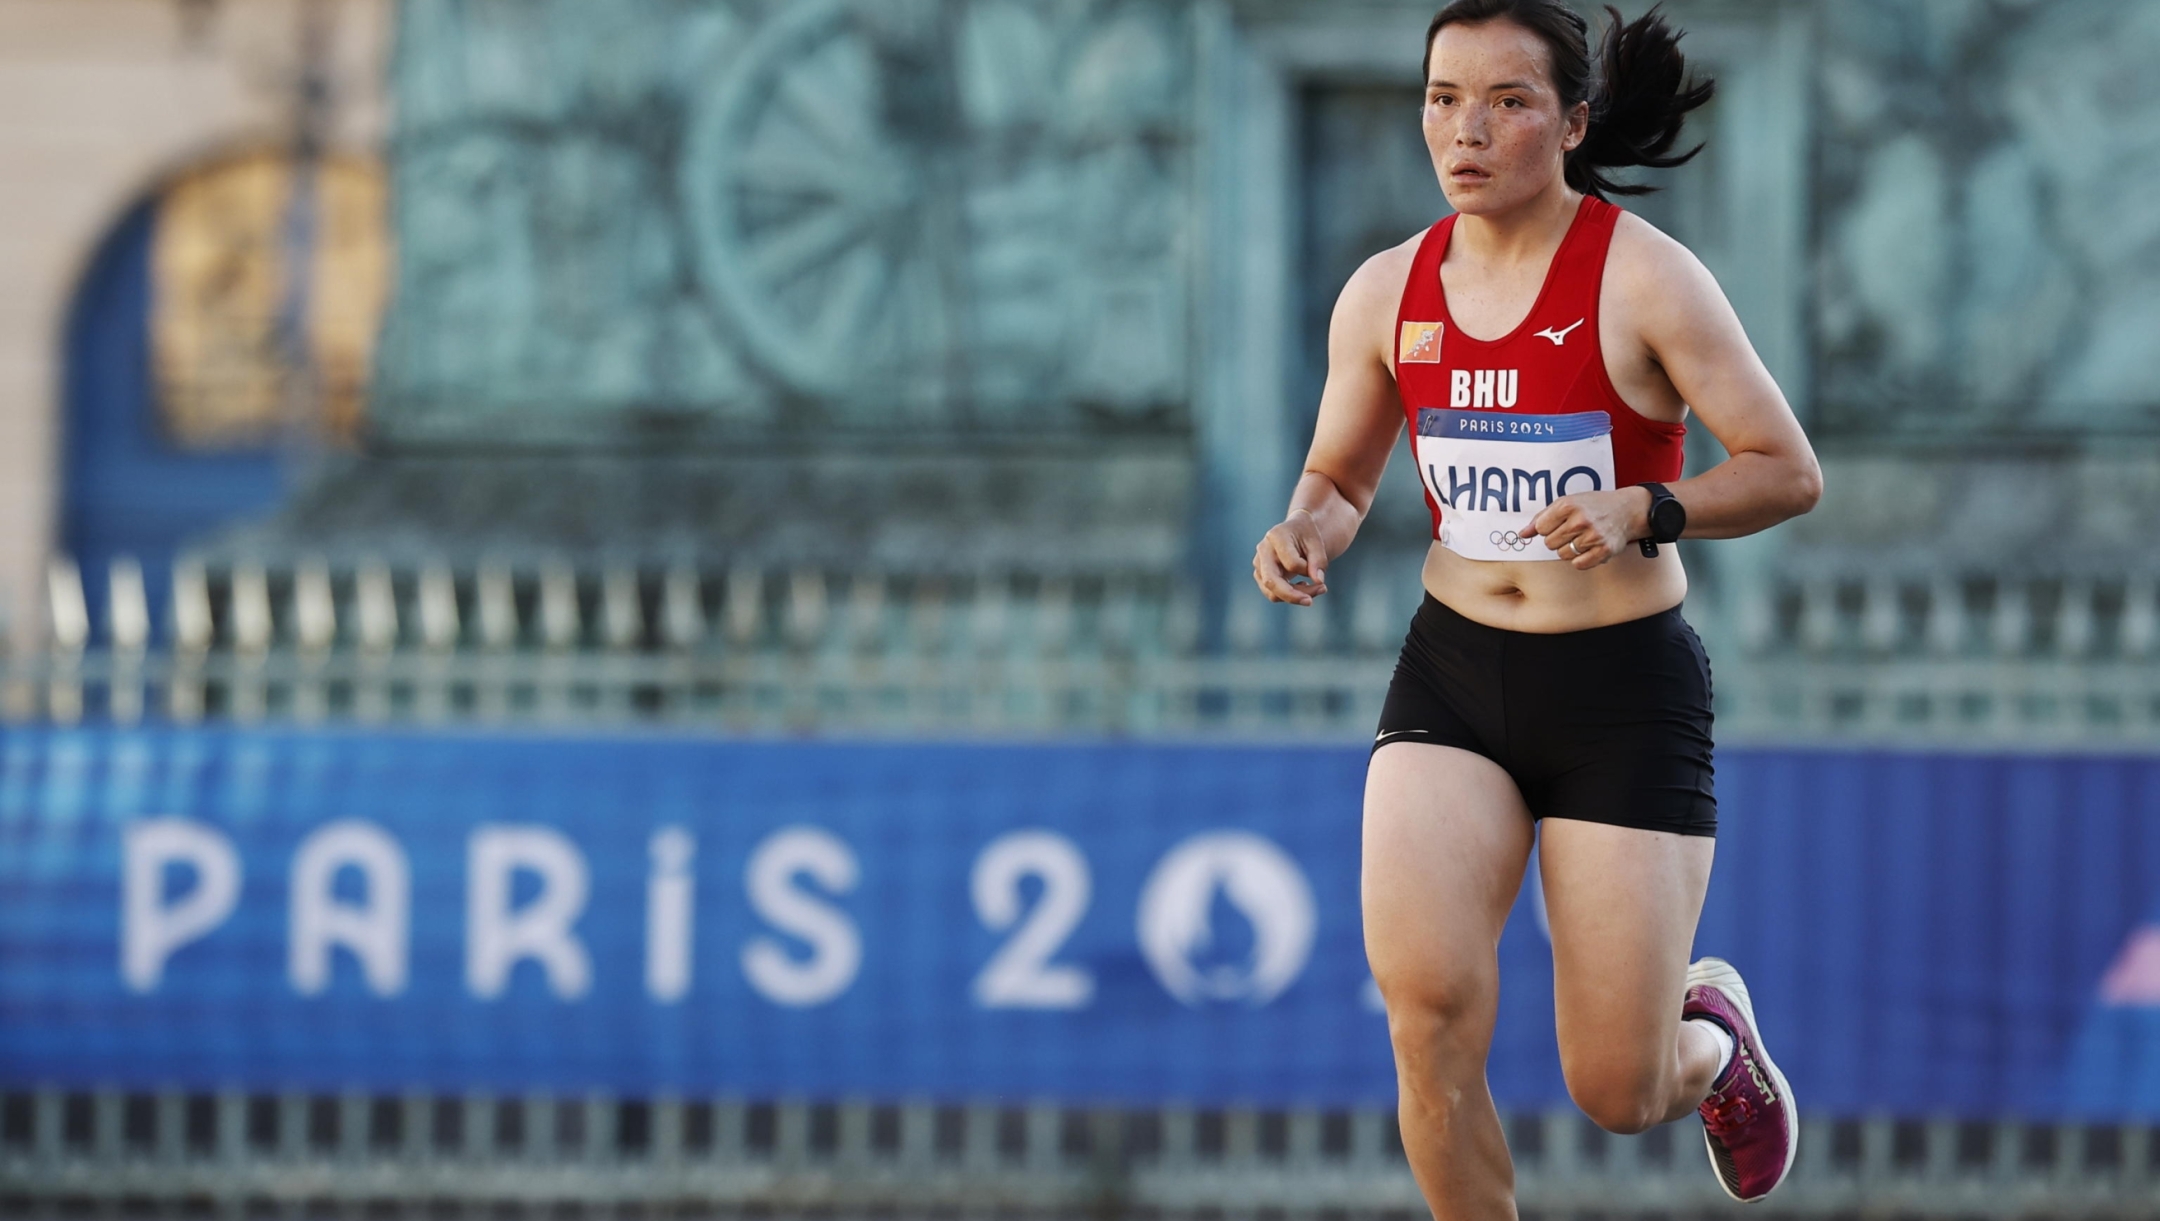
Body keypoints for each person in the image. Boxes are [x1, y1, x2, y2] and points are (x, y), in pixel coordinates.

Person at [1251, 0, 1822, 1212]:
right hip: (1453, 676)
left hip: (1618, 689)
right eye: (1443, 98)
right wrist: (1307, 527)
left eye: (1507, 102)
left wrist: (1647, 508)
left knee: (1616, 1088)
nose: (1467, 130)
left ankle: (1713, 1041)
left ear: (1569, 124)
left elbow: (1786, 468)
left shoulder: (1648, 281)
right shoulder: (1385, 293)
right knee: (1427, 1019)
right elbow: (1344, 475)